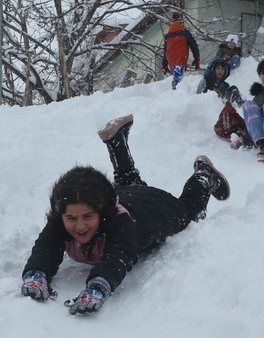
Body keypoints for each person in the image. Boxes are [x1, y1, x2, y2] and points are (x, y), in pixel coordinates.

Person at [20, 114, 230, 315]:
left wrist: (99, 286)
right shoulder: (64, 217)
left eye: (88, 217)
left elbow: (119, 256)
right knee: (128, 186)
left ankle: (203, 175)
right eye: (72, 218)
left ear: (103, 212)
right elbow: (46, 247)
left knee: (189, 211)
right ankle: (116, 141)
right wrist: (37, 273)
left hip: (155, 208)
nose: (80, 226)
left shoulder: (121, 223)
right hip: (126, 196)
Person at [161, 12, 200, 90]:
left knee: (177, 72)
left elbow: (165, 50)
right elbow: (193, 45)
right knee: (178, 76)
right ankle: (175, 90)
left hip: (171, 58)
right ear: (181, 22)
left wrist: (164, 64)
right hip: (180, 56)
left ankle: (177, 89)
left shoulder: (167, 36)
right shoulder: (185, 33)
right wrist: (197, 58)